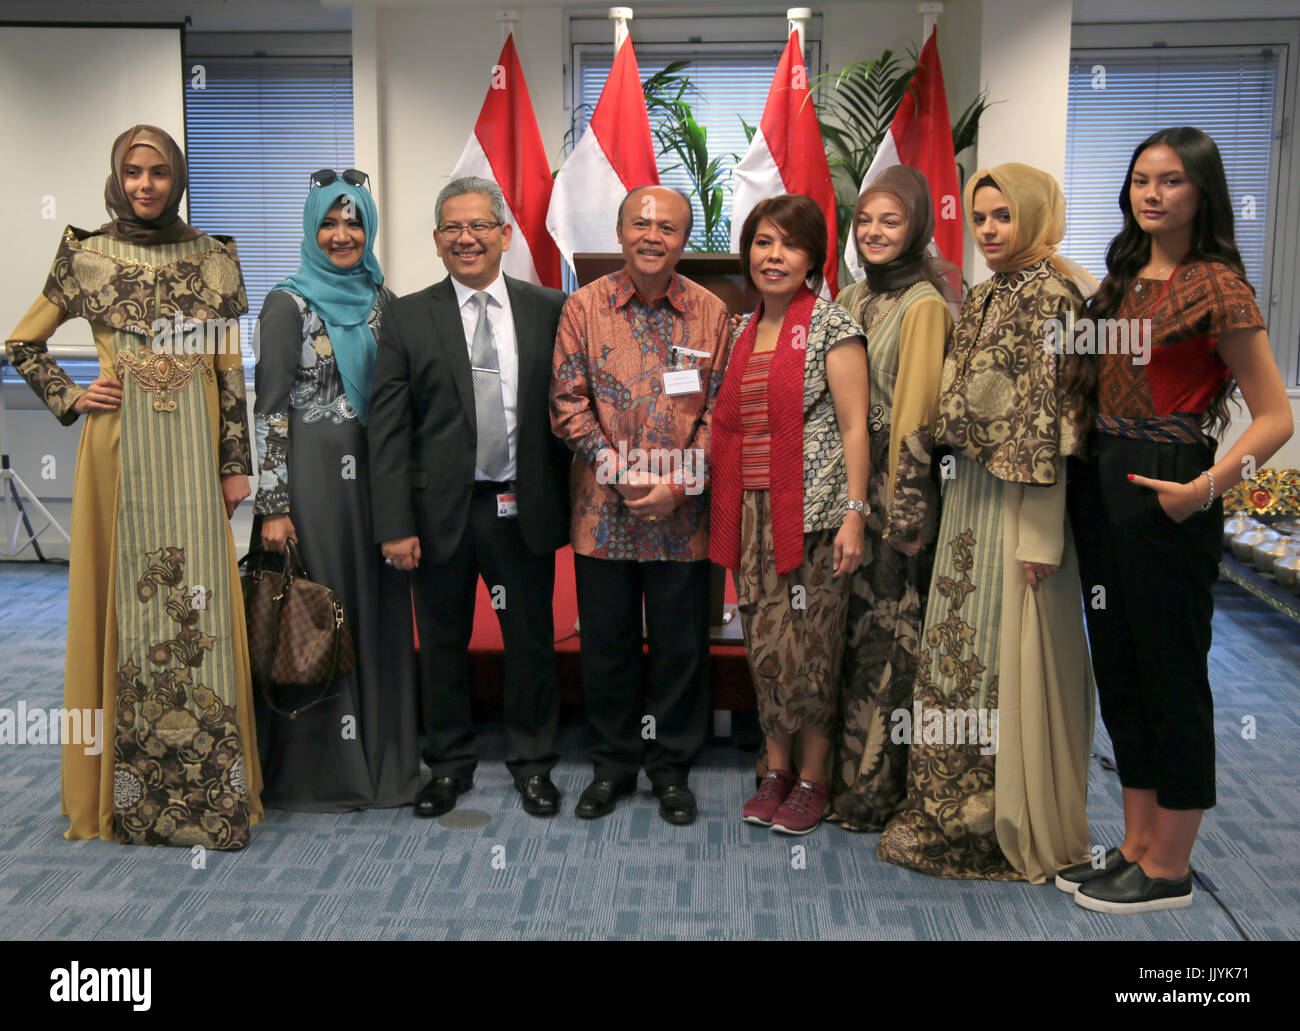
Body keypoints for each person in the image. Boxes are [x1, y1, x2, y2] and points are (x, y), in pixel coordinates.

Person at [5, 125, 263, 847]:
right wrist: (72, 393)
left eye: (158, 172)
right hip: (116, 453)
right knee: (117, 602)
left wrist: (237, 462)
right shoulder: (85, 255)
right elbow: (22, 341)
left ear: (176, 177)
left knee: (200, 607)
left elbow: (227, 372)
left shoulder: (212, 258)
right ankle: (122, 795)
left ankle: (210, 793)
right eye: (133, 172)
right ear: (117, 178)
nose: (146, 184)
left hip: (194, 451)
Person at [1064, 127, 1292, 912]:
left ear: (1202, 192)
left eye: (1170, 181)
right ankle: (1133, 844)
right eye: (1140, 180)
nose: (1152, 193)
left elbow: (1274, 418)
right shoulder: (1119, 279)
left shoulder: (1218, 285)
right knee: (1121, 667)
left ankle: (1171, 866)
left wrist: (1207, 485)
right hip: (1101, 480)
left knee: (1171, 672)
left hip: (1172, 482)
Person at [877, 163, 1096, 881]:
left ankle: (1001, 823)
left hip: (1020, 506)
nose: (991, 230)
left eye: (1003, 216)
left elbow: (1058, 429)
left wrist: (1042, 534)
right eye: (980, 218)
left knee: (1002, 668)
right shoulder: (987, 293)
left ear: (1034, 216)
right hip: (971, 496)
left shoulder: (1057, 295)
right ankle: (945, 812)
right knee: (954, 664)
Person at [369, 176, 570, 819]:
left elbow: (569, 412)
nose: (467, 238)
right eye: (453, 228)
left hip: (521, 507)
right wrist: (395, 523)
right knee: (444, 644)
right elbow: (390, 428)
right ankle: (448, 765)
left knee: (531, 645)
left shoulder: (548, 309)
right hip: (438, 514)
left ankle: (533, 765)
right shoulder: (406, 315)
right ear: (435, 241)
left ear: (505, 235)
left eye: (481, 225)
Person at [550, 185, 731, 825]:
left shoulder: (712, 313)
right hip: (603, 513)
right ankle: (613, 766)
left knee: (682, 648)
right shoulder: (583, 307)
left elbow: (720, 414)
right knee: (609, 646)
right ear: (622, 230)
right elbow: (567, 404)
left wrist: (678, 482)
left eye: (669, 227)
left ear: (686, 239)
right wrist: (620, 475)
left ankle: (672, 770)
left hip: (681, 517)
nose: (653, 235)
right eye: (641, 223)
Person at [250, 169, 420, 811]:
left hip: (378, 480)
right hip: (314, 485)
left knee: (377, 611)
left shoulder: (385, 300)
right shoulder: (286, 302)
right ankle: (322, 773)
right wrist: (274, 506)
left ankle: (386, 762)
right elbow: (268, 409)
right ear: (311, 229)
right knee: (323, 612)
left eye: (354, 222)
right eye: (329, 221)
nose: (343, 234)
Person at [710, 194, 869, 835]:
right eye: (762, 243)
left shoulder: (832, 326)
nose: (773, 257)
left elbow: (858, 428)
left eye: (788, 245)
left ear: (812, 258)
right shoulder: (742, 327)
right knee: (764, 646)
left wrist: (856, 514)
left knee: (813, 650)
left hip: (817, 519)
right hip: (751, 516)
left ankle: (814, 778)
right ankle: (774, 770)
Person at [831, 166, 956, 830]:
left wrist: (906, 512)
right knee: (848, 636)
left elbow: (918, 415)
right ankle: (836, 778)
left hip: (892, 491)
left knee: (886, 642)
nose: (875, 232)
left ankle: (872, 791)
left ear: (915, 229)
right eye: (867, 220)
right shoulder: (851, 295)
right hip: (847, 485)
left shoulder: (924, 305)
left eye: (892, 221)